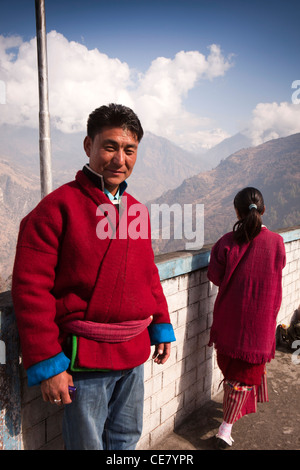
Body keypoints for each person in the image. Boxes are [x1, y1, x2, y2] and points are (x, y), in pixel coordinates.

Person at [12, 103, 176, 450]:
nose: (120, 159)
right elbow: (30, 289)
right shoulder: (56, 209)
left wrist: (160, 323)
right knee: (87, 445)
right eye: (110, 147)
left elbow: (148, 274)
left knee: (126, 439)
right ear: (89, 146)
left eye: (129, 150)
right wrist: (47, 363)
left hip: (132, 354)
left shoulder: (136, 212)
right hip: (84, 359)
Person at [207, 187, 286, 449]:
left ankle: (226, 426)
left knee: (234, 374)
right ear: (263, 211)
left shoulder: (226, 242)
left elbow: (216, 277)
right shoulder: (276, 242)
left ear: (237, 212)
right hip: (260, 323)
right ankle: (225, 429)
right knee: (241, 377)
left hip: (229, 323)